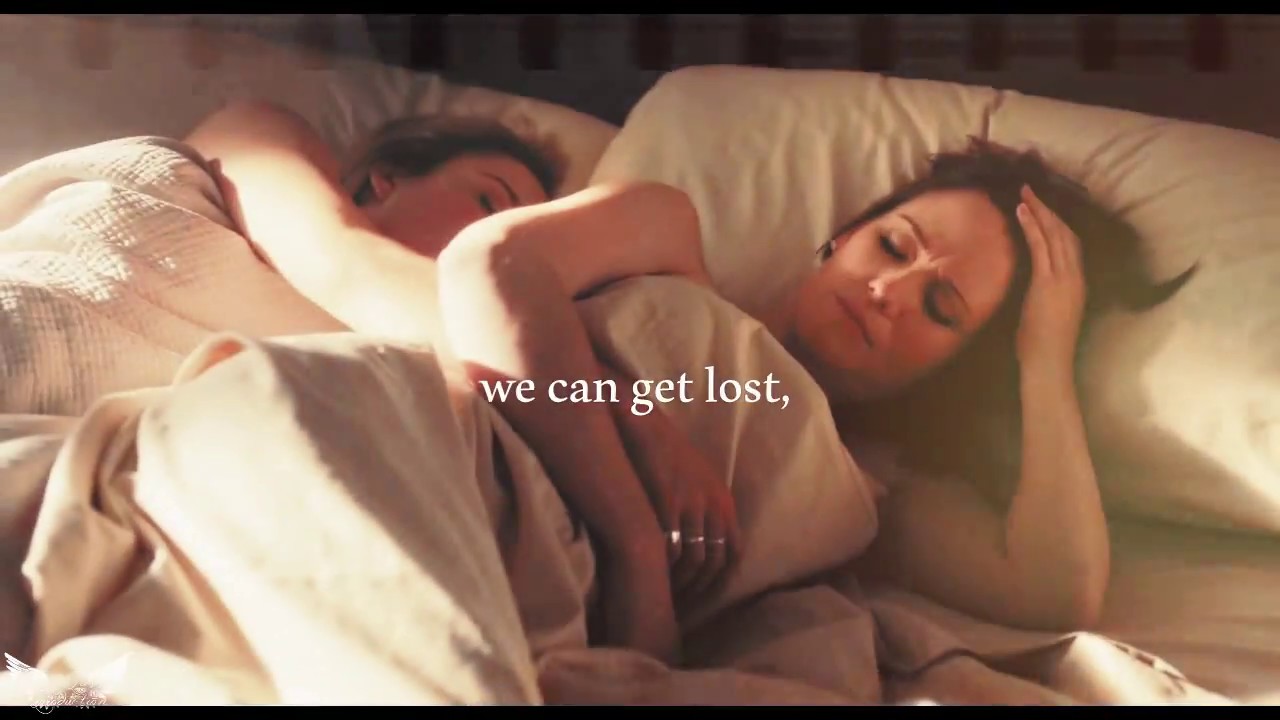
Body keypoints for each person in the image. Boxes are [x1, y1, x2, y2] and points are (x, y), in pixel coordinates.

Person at [184, 99, 1190, 666]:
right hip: (430, 457)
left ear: (951, 370)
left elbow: (1055, 587)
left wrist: (1043, 355)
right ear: (839, 237)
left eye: (940, 307)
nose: (887, 291)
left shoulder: (869, 495)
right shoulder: (666, 240)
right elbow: (487, 266)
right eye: (891, 245)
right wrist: (636, 536)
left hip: (525, 604)